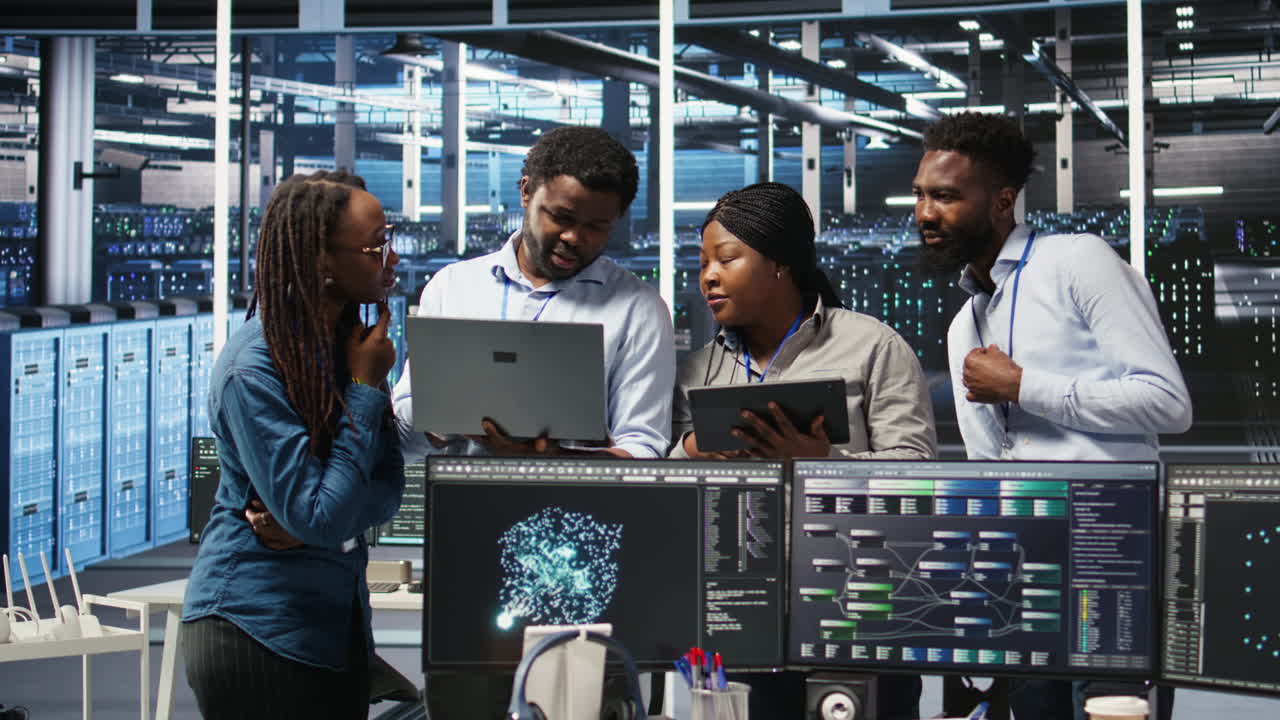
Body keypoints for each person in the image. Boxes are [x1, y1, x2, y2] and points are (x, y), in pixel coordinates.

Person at [913, 112, 1191, 720]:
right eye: (920, 195)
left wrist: (1023, 386)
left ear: (1003, 200)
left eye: (945, 196)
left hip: (1112, 554)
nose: (924, 213)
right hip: (1024, 570)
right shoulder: (964, 323)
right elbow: (990, 462)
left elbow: (1168, 403)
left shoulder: (1077, 262)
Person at [671, 182, 936, 719]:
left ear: (780, 264)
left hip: (859, 608)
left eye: (726, 258)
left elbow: (919, 479)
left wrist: (819, 465)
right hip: (740, 614)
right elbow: (666, 502)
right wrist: (691, 452)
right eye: (702, 263)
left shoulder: (872, 347)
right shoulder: (695, 372)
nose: (708, 276)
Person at [181, 170, 406, 719]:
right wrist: (363, 391)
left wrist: (323, 519)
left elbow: (387, 491)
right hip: (258, 629)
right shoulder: (253, 369)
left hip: (333, 629)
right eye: (378, 246)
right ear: (322, 262)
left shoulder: (348, 349)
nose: (393, 258)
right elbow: (324, 515)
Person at [392, 125, 675, 459]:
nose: (574, 237)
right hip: (461, 501)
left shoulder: (639, 309)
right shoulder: (452, 286)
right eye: (560, 216)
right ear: (526, 191)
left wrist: (550, 460)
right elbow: (403, 438)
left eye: (595, 227)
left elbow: (643, 447)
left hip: (576, 507)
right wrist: (442, 420)